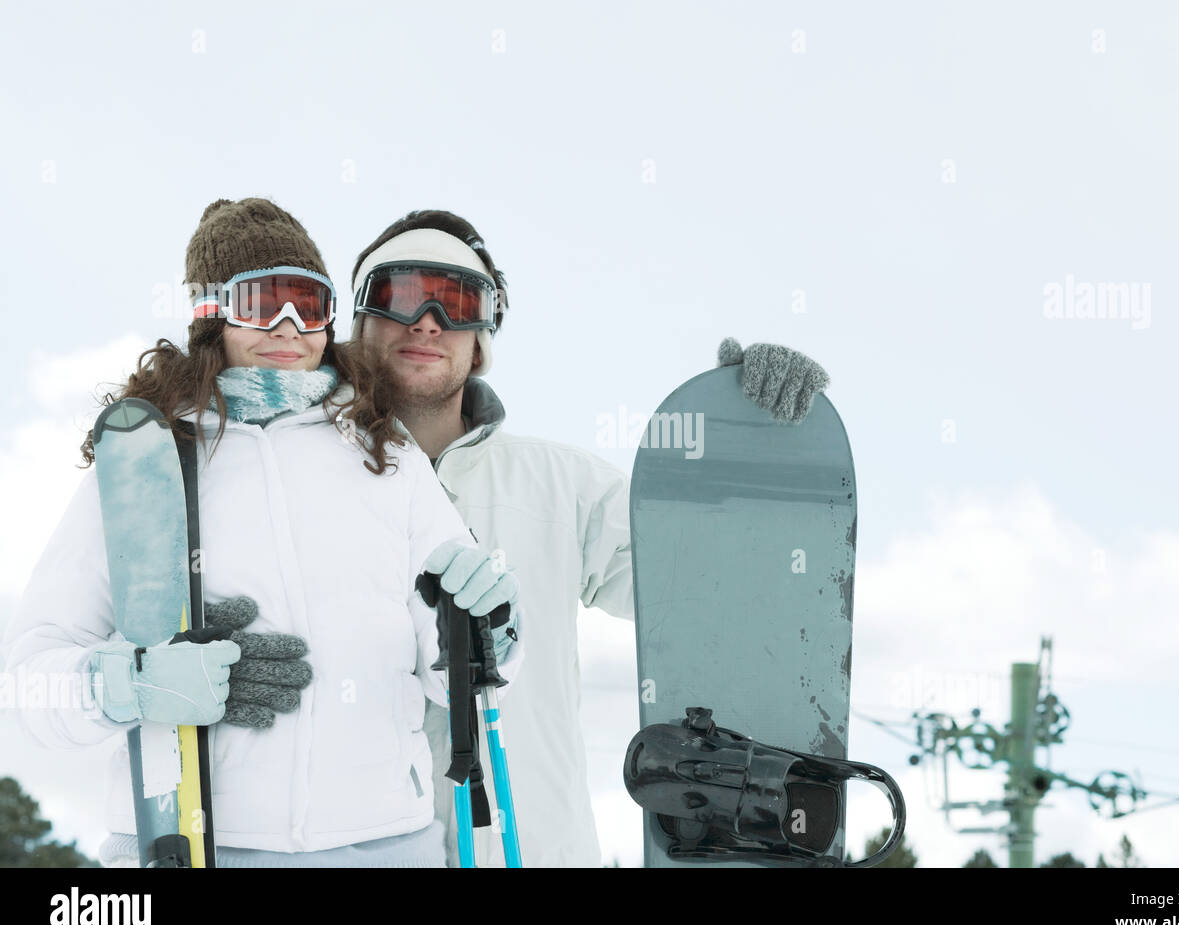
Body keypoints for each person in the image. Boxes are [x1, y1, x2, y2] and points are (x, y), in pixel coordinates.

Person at [1, 198, 521, 867]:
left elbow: (454, 667)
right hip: (195, 843)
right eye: (261, 302)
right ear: (211, 315)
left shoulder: (385, 453)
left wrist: (489, 627)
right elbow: (30, 679)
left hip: (387, 843)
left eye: (308, 302)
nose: (288, 326)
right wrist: (134, 681)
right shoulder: (148, 461)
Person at [349, 210, 828, 866]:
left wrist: (750, 439)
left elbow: (704, 585)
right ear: (358, 324)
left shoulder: (561, 484)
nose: (429, 319)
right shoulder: (309, 482)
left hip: (540, 850)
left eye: (458, 299)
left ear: (483, 334)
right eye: (401, 294)